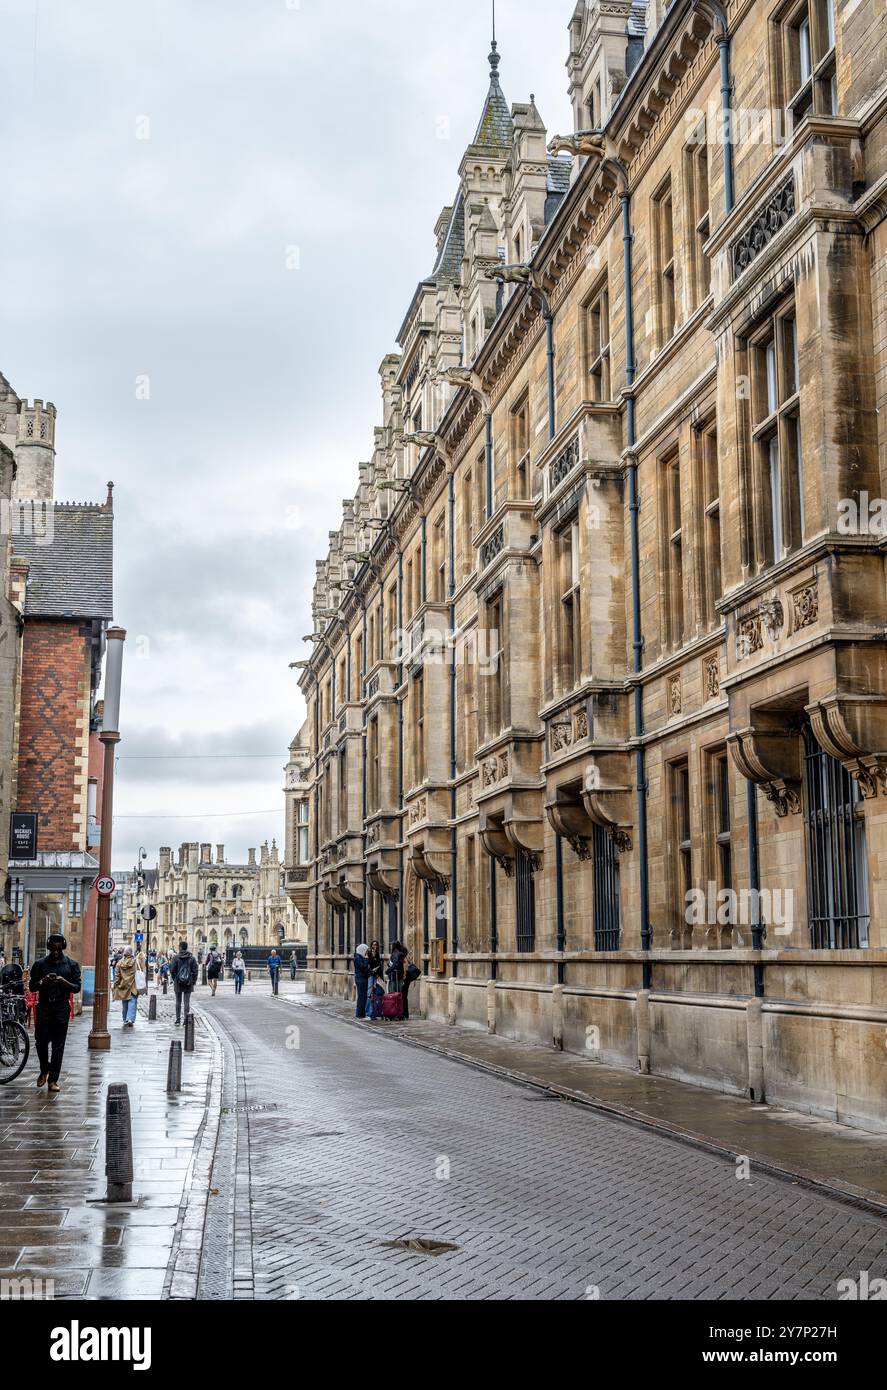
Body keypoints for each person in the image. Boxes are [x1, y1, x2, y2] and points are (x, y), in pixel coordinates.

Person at [29, 934, 81, 1093]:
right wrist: (42, 981)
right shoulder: (40, 965)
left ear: (63, 947)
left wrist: (63, 982)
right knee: (41, 1042)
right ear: (49, 948)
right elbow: (32, 987)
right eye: (53, 949)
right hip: (44, 1006)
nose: (56, 952)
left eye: (59, 949)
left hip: (61, 1007)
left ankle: (53, 1079)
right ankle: (44, 1068)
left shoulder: (71, 965)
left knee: (58, 1045)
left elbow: (77, 987)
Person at [172, 940, 198, 1026]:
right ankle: (185, 1021)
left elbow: (172, 970)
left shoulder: (176, 958)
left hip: (178, 982)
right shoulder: (192, 958)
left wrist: (175, 978)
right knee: (187, 1002)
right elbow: (195, 971)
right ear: (186, 948)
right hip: (188, 983)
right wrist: (193, 981)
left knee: (178, 1002)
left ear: (180, 947)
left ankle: (178, 1020)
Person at [113, 946, 140, 1028]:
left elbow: (117, 976)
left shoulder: (119, 963)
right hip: (133, 986)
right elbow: (140, 971)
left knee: (124, 1003)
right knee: (132, 1002)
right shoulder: (135, 961)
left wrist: (116, 985)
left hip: (123, 986)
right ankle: (130, 1019)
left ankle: (125, 1019)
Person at [387, 940, 410, 1019]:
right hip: (402, 977)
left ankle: (397, 1012)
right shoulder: (401, 955)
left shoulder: (396, 954)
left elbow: (394, 965)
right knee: (402, 996)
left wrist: (388, 970)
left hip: (397, 978)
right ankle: (403, 1013)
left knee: (396, 995)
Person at [353, 944, 372, 1020]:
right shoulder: (357, 958)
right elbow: (363, 966)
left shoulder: (360, 957)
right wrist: (366, 959)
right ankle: (360, 1015)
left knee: (363, 996)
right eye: (366, 951)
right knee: (361, 997)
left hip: (363, 978)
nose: (366, 953)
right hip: (360, 979)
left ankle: (362, 1014)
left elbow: (365, 968)